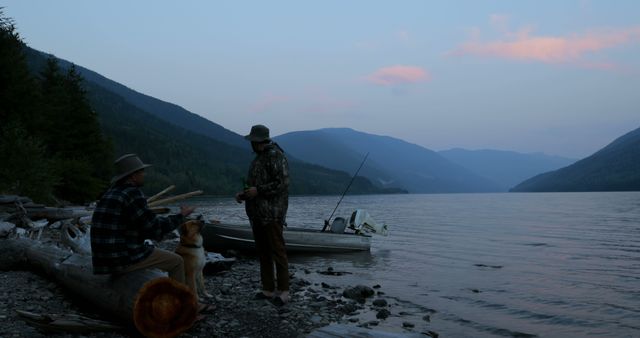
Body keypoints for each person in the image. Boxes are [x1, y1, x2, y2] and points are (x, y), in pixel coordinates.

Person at [90, 154, 195, 283]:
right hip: (120, 260)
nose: (144, 174)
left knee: (149, 250)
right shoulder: (132, 193)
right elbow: (154, 228)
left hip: (103, 261)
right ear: (133, 176)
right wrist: (181, 216)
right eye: (142, 171)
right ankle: (182, 301)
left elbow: (139, 224)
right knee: (177, 261)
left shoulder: (110, 192)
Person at [235, 124, 290, 305]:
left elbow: (281, 183)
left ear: (259, 140)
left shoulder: (276, 155)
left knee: (278, 251)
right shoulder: (258, 159)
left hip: (272, 213)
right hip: (257, 213)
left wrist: (257, 191)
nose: (250, 143)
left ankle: (284, 291)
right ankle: (267, 289)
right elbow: (253, 187)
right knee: (263, 252)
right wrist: (244, 194)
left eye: (252, 140)